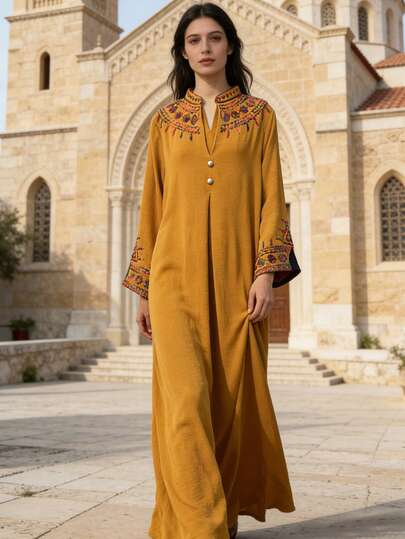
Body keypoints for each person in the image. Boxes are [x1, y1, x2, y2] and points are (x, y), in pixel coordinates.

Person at [122, 3, 301, 538]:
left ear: (230, 46)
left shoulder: (260, 116)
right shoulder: (164, 122)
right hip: (172, 280)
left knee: (229, 403)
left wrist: (266, 274)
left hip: (238, 283)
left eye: (215, 38)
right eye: (194, 40)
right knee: (183, 404)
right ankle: (202, 525)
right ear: (182, 52)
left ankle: (220, 511)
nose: (204, 48)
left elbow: (272, 199)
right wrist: (144, 289)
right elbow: (151, 208)